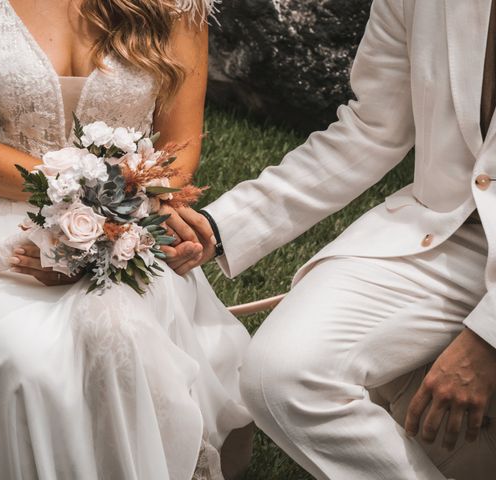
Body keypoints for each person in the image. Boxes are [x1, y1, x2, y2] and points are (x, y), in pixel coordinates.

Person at [0, 0, 253, 478]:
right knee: (28, 361)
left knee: (120, 339)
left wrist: (101, 213)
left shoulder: (179, 6)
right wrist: (78, 192)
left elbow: (178, 152)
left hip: (123, 228)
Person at [167, 0, 496, 478]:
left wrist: (486, 340)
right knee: (279, 376)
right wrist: (219, 228)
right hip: (443, 230)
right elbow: (372, 129)